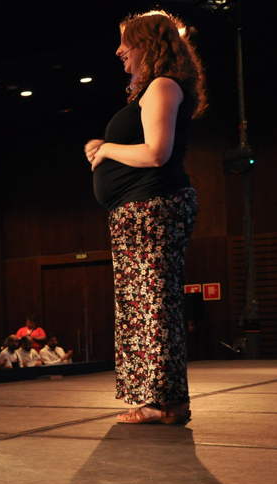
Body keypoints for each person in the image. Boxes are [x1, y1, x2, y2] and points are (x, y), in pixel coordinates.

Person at [86, 10, 205, 425]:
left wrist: (107, 150)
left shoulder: (163, 85)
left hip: (153, 208)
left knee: (152, 303)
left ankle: (164, 401)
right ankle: (160, 399)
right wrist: (103, 147)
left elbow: (156, 153)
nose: (119, 50)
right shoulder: (153, 89)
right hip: (139, 211)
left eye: (127, 42)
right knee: (143, 304)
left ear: (147, 45)